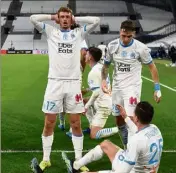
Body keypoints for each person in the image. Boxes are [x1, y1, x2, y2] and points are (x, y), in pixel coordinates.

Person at [30, 7, 100, 172]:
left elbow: (96, 20)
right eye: (62, 17)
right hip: (54, 83)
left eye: (67, 17)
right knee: (49, 123)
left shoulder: (78, 34)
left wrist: (77, 19)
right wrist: (51, 16)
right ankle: (46, 160)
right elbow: (33, 18)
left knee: (76, 123)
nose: (65, 19)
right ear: (58, 19)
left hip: (73, 84)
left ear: (71, 18)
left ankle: (78, 161)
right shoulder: (51, 32)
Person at [101, 20, 161, 147]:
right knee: (118, 118)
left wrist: (157, 88)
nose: (126, 39)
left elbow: (152, 67)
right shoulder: (112, 46)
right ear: (120, 31)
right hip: (117, 87)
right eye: (123, 36)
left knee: (131, 119)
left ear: (133, 34)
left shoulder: (141, 48)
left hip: (132, 87)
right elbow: (106, 66)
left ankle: (131, 151)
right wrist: (103, 80)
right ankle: (126, 145)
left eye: (129, 36)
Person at [69, 101, 163, 173]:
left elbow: (123, 171)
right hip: (148, 169)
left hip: (131, 170)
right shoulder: (155, 129)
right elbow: (137, 130)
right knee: (105, 144)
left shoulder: (136, 140)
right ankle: (76, 165)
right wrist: (125, 117)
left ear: (137, 118)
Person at [82, 47, 118, 139]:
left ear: (90, 57)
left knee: (94, 136)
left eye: (87, 54)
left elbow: (97, 92)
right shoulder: (101, 68)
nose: (85, 55)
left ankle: (120, 128)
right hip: (105, 99)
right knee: (83, 101)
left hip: (103, 106)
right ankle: (92, 125)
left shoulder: (93, 72)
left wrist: (86, 107)